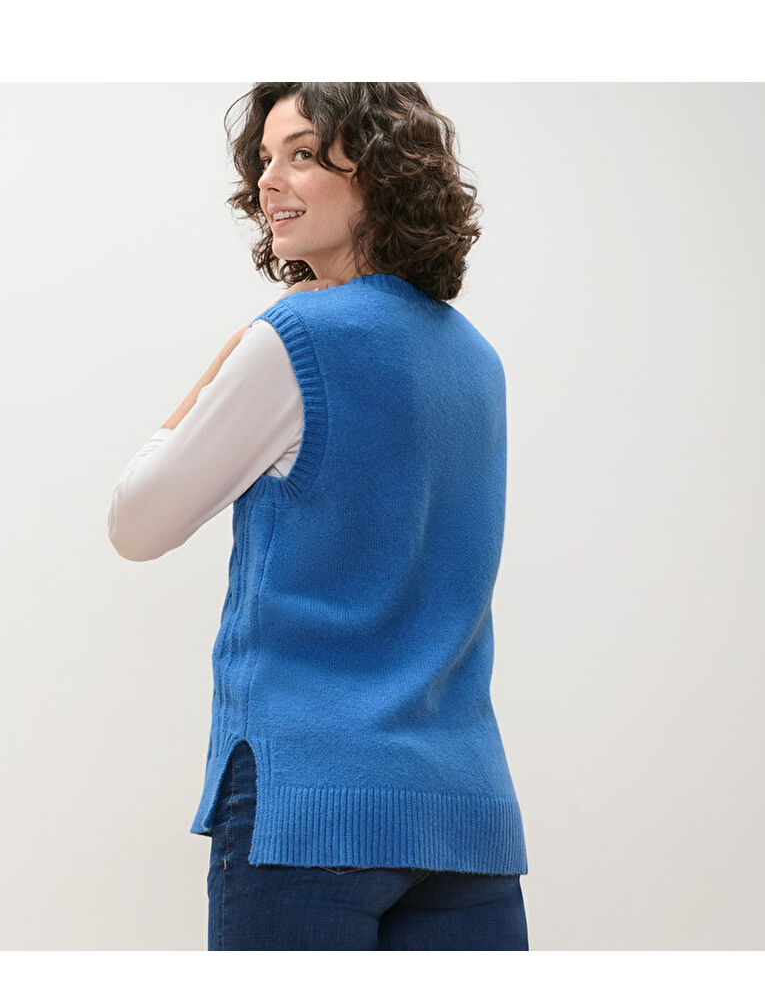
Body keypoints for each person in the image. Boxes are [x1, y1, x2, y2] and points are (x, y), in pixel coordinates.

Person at [108, 83, 530, 951]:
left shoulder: (295, 337)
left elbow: (137, 523)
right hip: (465, 813)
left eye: (302, 154)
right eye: (265, 160)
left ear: (381, 171)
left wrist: (223, 365)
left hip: (309, 803)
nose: (270, 181)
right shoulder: (477, 360)